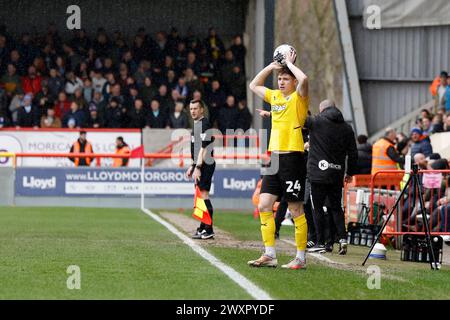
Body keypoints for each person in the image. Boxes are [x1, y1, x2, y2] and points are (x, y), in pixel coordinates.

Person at [247, 49, 309, 270]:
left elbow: (304, 79)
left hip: (293, 158)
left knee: (295, 210)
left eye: (285, 79)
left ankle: (300, 257)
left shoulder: (298, 97)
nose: (281, 82)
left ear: (292, 81)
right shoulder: (274, 96)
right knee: (264, 204)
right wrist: (272, 67)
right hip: (274, 158)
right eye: (280, 79)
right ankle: (270, 254)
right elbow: (253, 85)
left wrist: (290, 64)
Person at [304, 100, 358, 255]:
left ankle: (320, 241)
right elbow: (353, 153)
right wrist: (350, 172)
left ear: (322, 109)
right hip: (336, 173)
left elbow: (297, 119)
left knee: (318, 208)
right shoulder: (347, 128)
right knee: (336, 207)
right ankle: (342, 239)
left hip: (317, 173)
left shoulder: (316, 121)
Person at [186, 100, 216, 240]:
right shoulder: (196, 125)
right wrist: (192, 165)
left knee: (204, 195)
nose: (193, 111)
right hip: (199, 164)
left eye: (195, 108)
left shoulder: (205, 124)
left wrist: (198, 167)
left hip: (206, 164)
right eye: (191, 108)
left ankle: (209, 229)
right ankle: (202, 227)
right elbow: (196, 149)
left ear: (202, 110)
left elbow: (204, 149)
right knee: (200, 196)